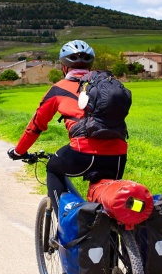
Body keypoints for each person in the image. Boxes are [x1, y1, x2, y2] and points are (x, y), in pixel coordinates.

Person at [7, 40, 128, 216]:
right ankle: (114, 238)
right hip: (117, 154)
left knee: (53, 167)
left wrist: (19, 152)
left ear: (64, 67)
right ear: (90, 65)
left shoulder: (58, 90)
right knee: (110, 206)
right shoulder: (107, 86)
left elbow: (35, 127)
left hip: (82, 154)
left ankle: (62, 227)